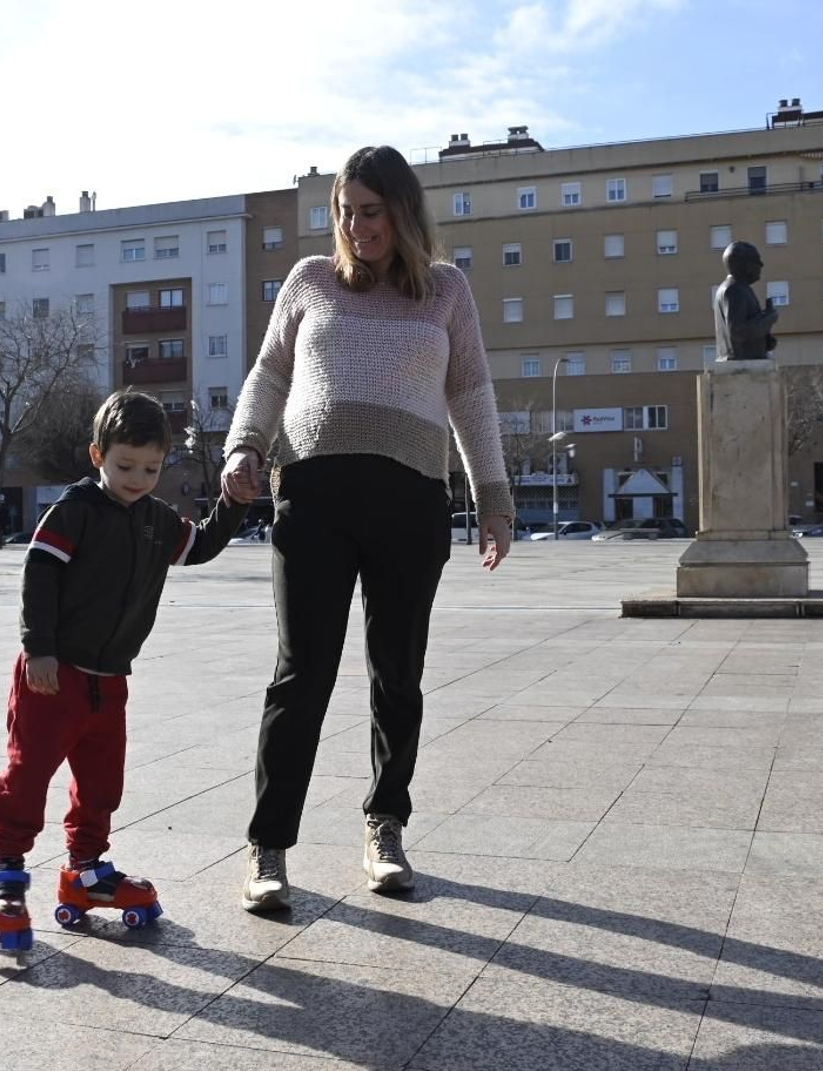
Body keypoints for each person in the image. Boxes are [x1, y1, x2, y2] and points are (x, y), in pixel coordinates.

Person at [219, 144, 513, 913]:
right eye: (345, 212)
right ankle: (268, 845)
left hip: (410, 500)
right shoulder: (310, 280)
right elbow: (269, 373)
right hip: (313, 494)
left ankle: (386, 826)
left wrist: (493, 494)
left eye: (370, 211)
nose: (355, 226)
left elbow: (471, 393)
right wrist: (243, 444)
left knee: (397, 673)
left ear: (403, 211)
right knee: (301, 673)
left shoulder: (446, 291)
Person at [0, 389, 247, 949]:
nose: (138, 479)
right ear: (98, 455)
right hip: (53, 675)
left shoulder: (156, 520)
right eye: (125, 466)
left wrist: (233, 501)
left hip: (109, 681)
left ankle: (86, 869)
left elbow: (200, 546)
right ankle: (5, 876)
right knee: (29, 773)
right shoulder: (74, 511)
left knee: (102, 781)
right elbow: (38, 576)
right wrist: (39, 647)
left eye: (151, 468)